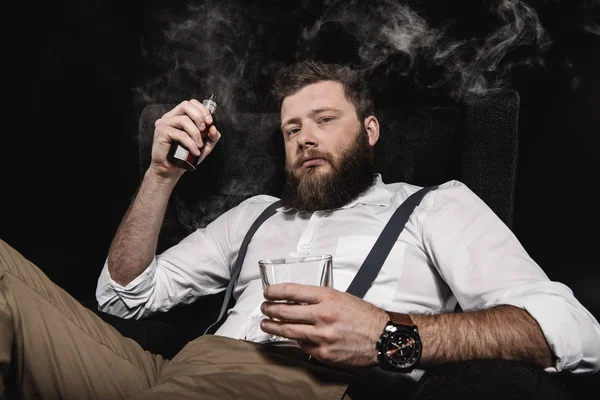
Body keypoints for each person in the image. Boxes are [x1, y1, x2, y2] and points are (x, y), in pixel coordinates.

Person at [1, 60, 599, 400]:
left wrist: (394, 336)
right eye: (291, 129)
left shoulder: (434, 207)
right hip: (168, 372)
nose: (305, 137)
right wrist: (160, 176)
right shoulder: (253, 214)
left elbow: (574, 331)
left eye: (324, 119)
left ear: (368, 130)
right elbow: (124, 297)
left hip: (293, 383)